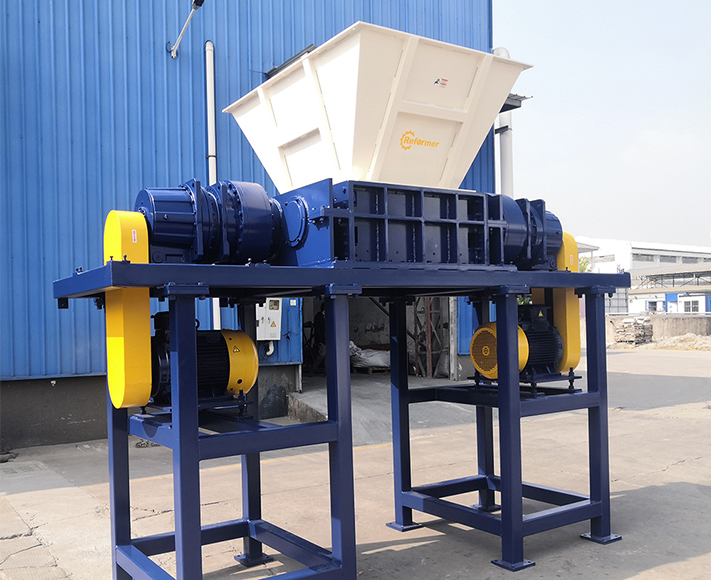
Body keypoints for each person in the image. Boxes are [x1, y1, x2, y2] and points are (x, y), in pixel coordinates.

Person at [312, 302, 326, 372]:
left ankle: (326, 370)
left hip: (324, 339)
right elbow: (318, 330)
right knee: (322, 354)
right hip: (321, 340)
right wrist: (320, 340)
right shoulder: (319, 317)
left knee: (326, 355)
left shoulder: (324, 317)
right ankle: (313, 367)